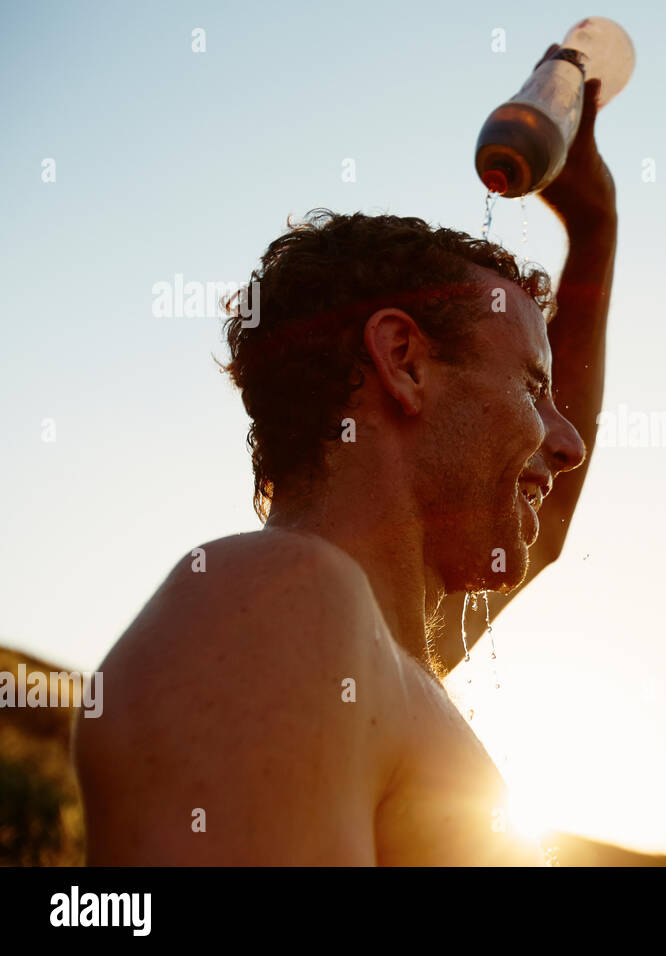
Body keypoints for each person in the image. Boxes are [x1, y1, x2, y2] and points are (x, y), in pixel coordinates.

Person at [73, 76, 617, 865]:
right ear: (402, 361)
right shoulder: (272, 608)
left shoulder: (373, 659)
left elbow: (551, 525)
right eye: (534, 387)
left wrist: (595, 232)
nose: (567, 447)